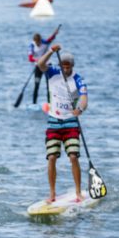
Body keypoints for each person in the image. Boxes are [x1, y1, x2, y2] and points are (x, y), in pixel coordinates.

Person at [37, 45, 88, 203]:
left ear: (72, 66)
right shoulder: (52, 73)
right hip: (53, 122)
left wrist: (80, 108)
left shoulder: (78, 79)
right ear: (60, 65)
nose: (65, 69)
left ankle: (78, 193)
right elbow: (40, 64)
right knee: (51, 157)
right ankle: (52, 194)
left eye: (68, 66)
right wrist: (51, 51)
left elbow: (84, 98)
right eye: (63, 66)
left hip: (71, 123)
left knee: (73, 157)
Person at [28, 27, 60, 104]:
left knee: (49, 86)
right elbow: (30, 58)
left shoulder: (44, 42)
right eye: (36, 42)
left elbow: (50, 39)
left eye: (38, 42)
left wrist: (55, 33)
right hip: (38, 67)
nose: (38, 44)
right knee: (36, 85)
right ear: (34, 41)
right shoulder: (31, 46)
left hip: (46, 67)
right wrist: (38, 61)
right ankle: (34, 103)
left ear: (40, 40)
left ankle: (50, 103)